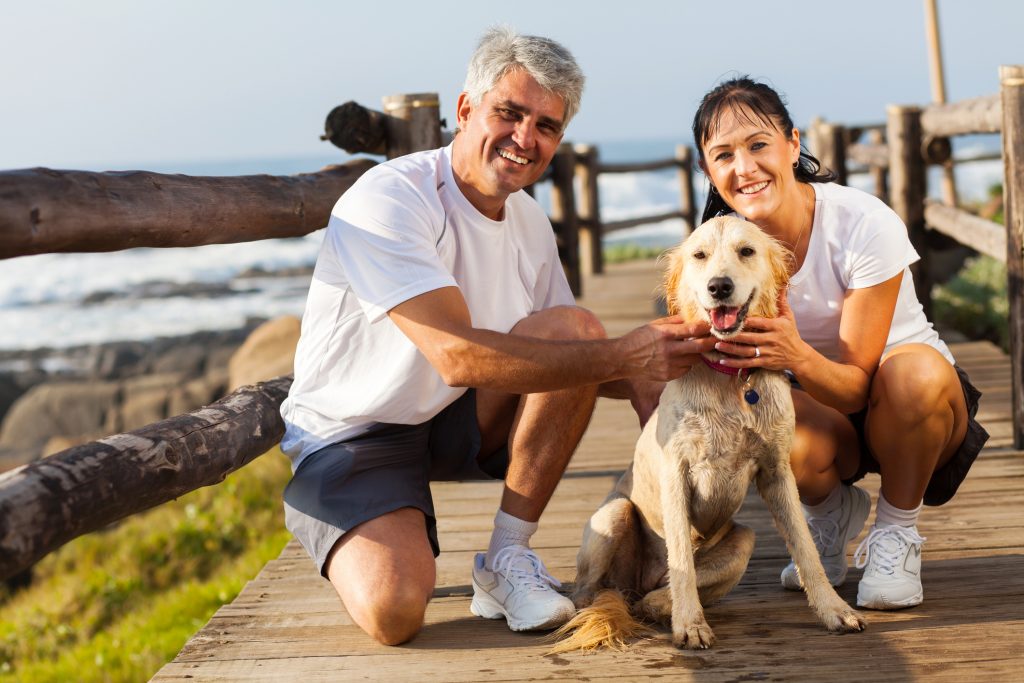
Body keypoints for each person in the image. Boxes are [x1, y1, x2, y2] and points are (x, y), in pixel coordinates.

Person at [278, 26, 715, 646]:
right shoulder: (390, 200)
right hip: (356, 432)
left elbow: (579, 360)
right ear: (464, 110)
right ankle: (343, 519)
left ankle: (507, 559)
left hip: (459, 417)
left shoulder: (529, 220)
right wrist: (626, 351)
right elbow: (455, 356)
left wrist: (658, 368)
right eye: (509, 113)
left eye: (546, 126)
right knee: (394, 613)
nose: (524, 139)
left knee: (575, 330)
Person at [689, 76, 990, 610]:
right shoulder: (723, 245)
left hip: (913, 403)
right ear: (708, 171)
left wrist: (794, 354)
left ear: (793, 143)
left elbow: (855, 386)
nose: (745, 168)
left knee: (909, 377)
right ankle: (829, 514)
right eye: (723, 156)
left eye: (759, 145)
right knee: (753, 409)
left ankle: (896, 531)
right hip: (818, 407)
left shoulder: (861, 222)